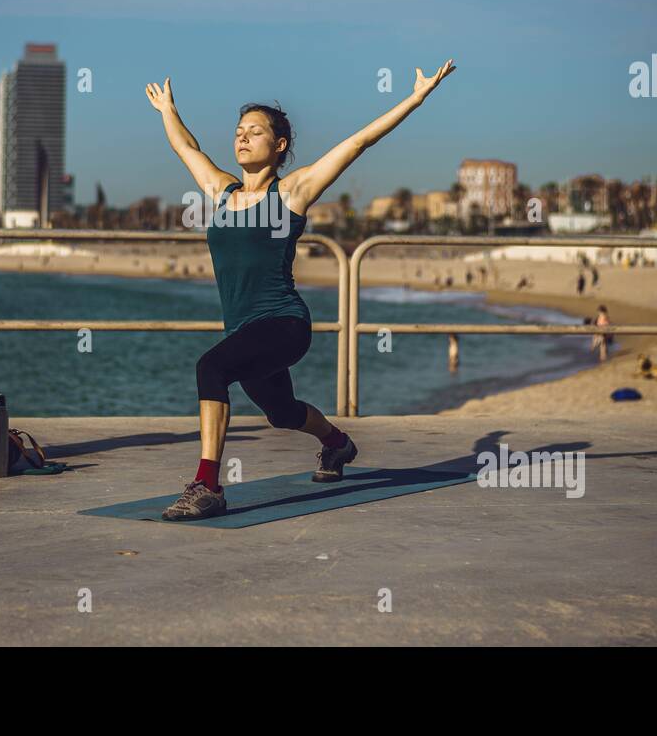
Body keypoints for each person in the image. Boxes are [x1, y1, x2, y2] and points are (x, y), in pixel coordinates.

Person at [146, 58, 456, 520]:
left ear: (280, 144)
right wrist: (168, 110)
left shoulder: (290, 193)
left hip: (285, 323)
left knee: (210, 368)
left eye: (255, 130)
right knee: (282, 413)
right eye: (239, 130)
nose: (242, 136)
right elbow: (185, 148)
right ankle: (337, 444)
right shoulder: (222, 193)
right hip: (244, 330)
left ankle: (207, 486)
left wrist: (416, 97)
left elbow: (358, 143)